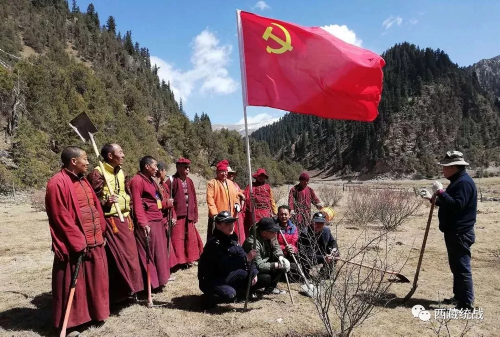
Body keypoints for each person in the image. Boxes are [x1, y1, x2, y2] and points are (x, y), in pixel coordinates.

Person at [45, 146, 109, 333]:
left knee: (95, 282)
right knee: (74, 284)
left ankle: (94, 314)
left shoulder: (83, 181)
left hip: (94, 240)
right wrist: (78, 242)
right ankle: (73, 322)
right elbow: (60, 217)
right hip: (76, 246)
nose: (88, 163)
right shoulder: (57, 183)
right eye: (85, 159)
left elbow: (94, 206)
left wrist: (101, 230)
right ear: (74, 161)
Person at [420, 151, 477, 310]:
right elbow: (449, 203)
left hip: (460, 232)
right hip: (454, 231)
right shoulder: (457, 181)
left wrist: (441, 192)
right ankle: (459, 297)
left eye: (445, 166)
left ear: (454, 167)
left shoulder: (464, 183)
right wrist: (432, 198)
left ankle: (466, 304)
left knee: (461, 267)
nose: (443, 169)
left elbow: (457, 205)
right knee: (456, 266)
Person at [87, 143, 143, 303]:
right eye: (120, 152)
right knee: (119, 257)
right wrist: (105, 202)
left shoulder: (120, 172)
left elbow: (126, 193)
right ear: (110, 156)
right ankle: (118, 294)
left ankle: (131, 289)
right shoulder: (98, 173)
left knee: (131, 256)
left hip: (126, 219)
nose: (123, 155)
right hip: (112, 220)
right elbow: (92, 199)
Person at [198, 211, 259, 308]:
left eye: (232, 223)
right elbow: (224, 265)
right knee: (229, 294)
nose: (231, 226)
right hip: (212, 279)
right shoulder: (214, 244)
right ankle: (207, 298)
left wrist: (254, 271)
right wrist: (246, 259)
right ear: (218, 225)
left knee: (250, 275)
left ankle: (238, 292)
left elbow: (242, 254)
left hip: (226, 275)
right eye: (227, 224)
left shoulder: (232, 239)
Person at [129, 156, 172, 291]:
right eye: (155, 165)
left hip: (157, 219)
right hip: (148, 222)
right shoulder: (137, 181)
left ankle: (160, 280)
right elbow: (137, 204)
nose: (157, 169)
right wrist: (143, 223)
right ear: (147, 166)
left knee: (159, 252)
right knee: (150, 253)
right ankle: (152, 283)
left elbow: (155, 200)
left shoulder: (151, 181)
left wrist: (165, 204)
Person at [165, 158, 204, 268]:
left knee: (190, 239)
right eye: (185, 167)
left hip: (189, 215)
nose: (188, 169)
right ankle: (178, 261)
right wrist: (172, 215)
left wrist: (195, 214)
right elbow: (168, 198)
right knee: (178, 239)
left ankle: (189, 259)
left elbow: (194, 199)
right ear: (178, 167)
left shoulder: (189, 181)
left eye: (188, 167)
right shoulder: (172, 181)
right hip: (178, 216)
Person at [243, 217, 289, 295]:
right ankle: (249, 290)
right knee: (266, 278)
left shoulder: (271, 235)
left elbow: (276, 247)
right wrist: (275, 265)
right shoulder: (253, 243)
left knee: (281, 263)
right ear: (264, 233)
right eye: (273, 232)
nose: (275, 233)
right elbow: (259, 265)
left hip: (266, 261)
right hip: (252, 270)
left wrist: (281, 256)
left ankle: (270, 289)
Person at [206, 159, 241, 241]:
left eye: (225, 171)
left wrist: (237, 203)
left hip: (230, 216)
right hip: (218, 217)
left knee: (229, 237)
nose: (224, 174)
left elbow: (235, 196)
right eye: (222, 171)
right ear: (217, 172)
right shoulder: (212, 183)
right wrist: (214, 214)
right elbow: (210, 199)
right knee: (216, 239)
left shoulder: (230, 183)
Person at [298, 212, 339, 279]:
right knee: (305, 260)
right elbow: (304, 253)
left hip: (323, 254)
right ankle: (305, 275)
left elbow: (332, 242)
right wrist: (323, 258)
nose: (319, 225)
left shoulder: (326, 230)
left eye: (321, 223)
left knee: (335, 255)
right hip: (308, 257)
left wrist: (334, 250)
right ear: (312, 222)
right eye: (317, 222)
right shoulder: (304, 233)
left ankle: (324, 275)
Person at [155, 162, 178, 271]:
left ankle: (169, 266)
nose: (165, 174)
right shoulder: (154, 186)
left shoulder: (164, 185)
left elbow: (170, 201)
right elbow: (157, 203)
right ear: (160, 171)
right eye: (164, 171)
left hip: (167, 217)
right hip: (160, 218)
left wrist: (173, 216)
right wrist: (166, 204)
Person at [243, 168, 278, 237]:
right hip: (255, 212)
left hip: (266, 211)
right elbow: (246, 197)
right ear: (257, 176)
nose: (262, 177)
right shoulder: (251, 186)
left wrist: (274, 211)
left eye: (263, 176)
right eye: (260, 176)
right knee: (256, 230)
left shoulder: (267, 187)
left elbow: (271, 199)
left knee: (266, 229)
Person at [227, 166, 246, 244]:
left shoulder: (235, 184)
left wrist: (243, 192)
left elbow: (240, 191)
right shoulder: (225, 184)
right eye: (229, 174)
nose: (231, 175)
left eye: (232, 174)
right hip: (230, 210)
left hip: (238, 211)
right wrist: (239, 194)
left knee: (239, 230)